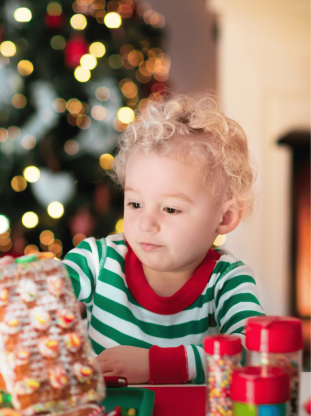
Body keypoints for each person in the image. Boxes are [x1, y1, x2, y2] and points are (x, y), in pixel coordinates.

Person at [63, 94, 265, 384]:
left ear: (224, 218)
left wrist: (158, 364)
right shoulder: (97, 260)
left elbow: (255, 351)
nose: (146, 223)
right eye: (135, 204)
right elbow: (45, 288)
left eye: (170, 209)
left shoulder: (226, 280)